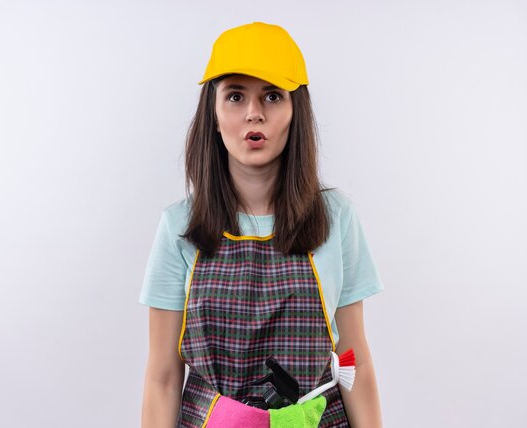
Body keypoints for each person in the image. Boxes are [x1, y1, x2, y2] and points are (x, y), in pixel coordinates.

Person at [140, 22, 384, 427]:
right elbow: (163, 377)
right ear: (213, 114)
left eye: (272, 95)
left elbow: (353, 359)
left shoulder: (335, 218)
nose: (254, 113)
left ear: (295, 111)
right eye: (235, 96)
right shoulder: (179, 227)